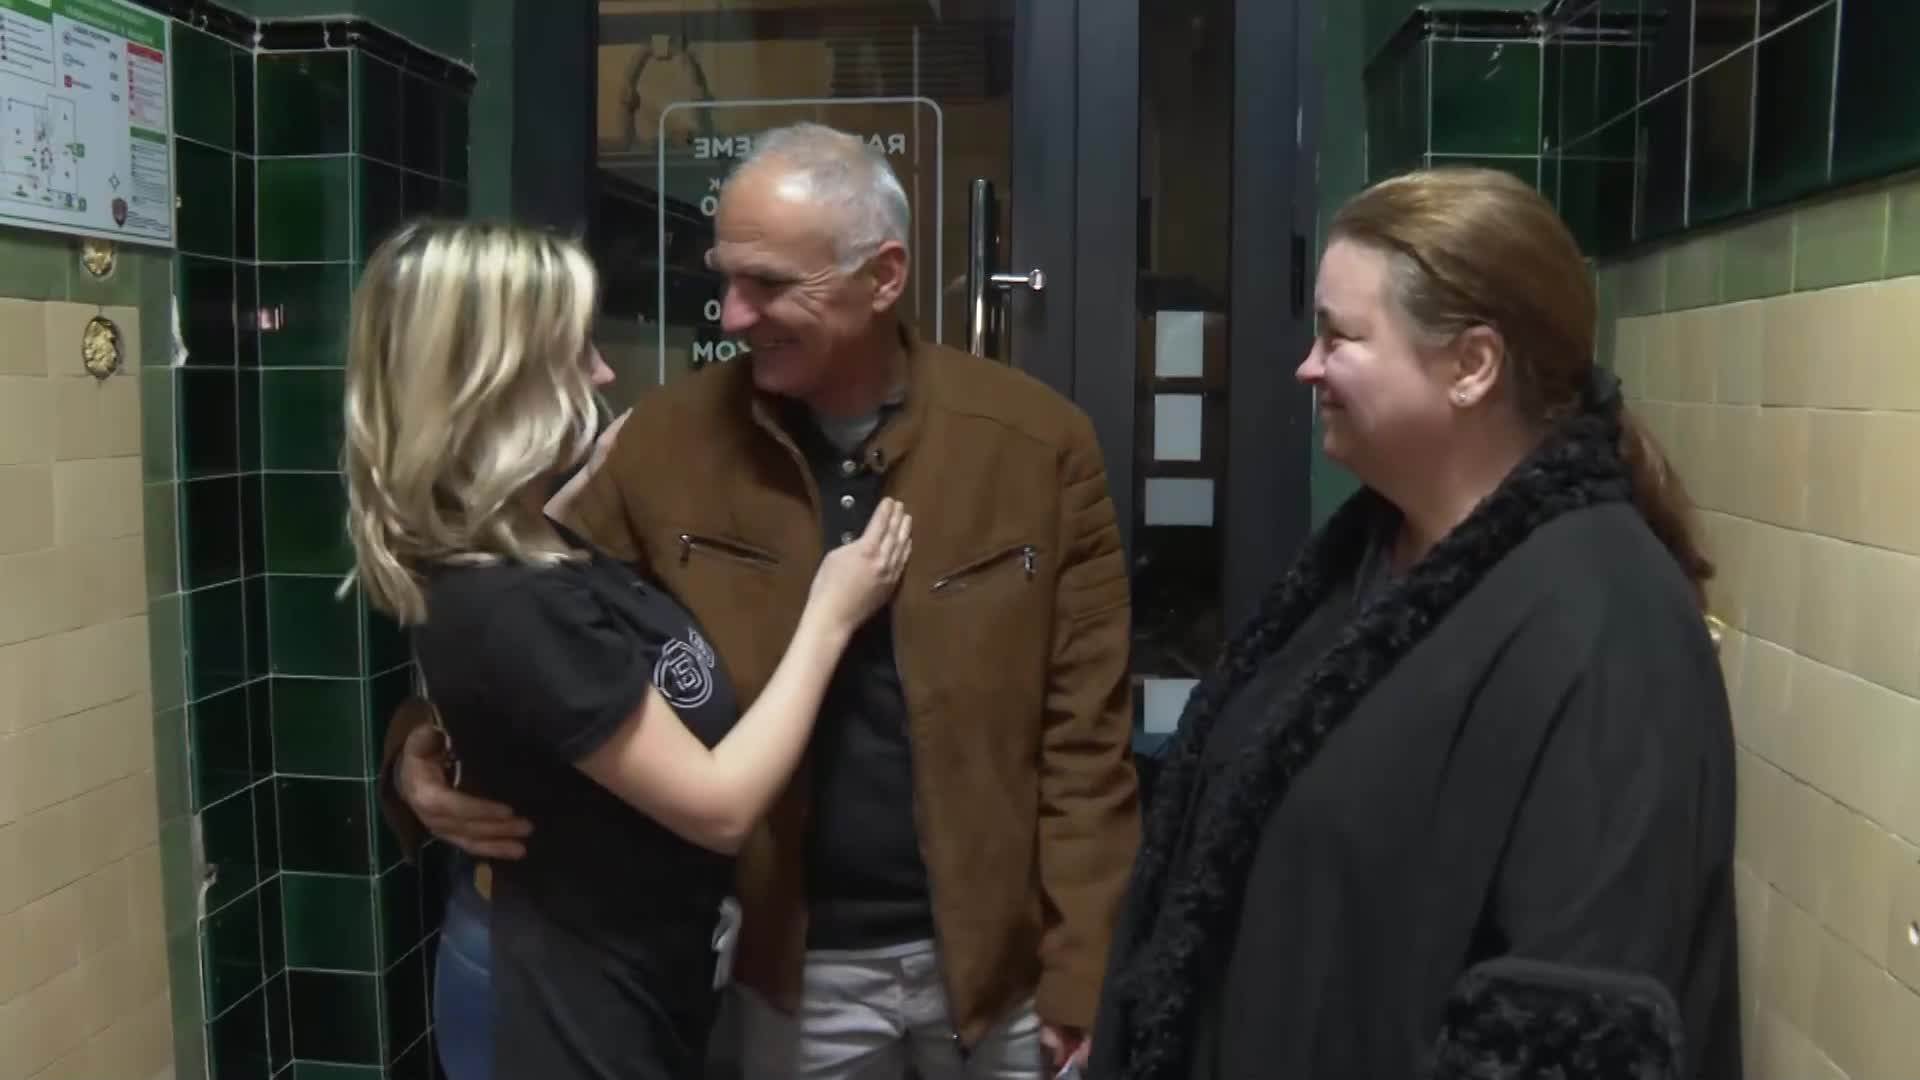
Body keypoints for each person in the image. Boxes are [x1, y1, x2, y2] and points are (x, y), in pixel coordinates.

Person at [380, 123, 1141, 1079]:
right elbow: (534, 637)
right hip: (786, 974)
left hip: (997, 970)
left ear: (884, 277)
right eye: (726, 278)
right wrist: (422, 753)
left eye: (770, 284)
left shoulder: (1036, 444)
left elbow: (1087, 737)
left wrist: (1085, 968)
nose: (734, 314)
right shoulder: (661, 445)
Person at [1088, 168, 1741, 1079]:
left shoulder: (1609, 625)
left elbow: (1573, 1028)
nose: (1307, 366)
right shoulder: (1370, 559)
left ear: (1472, 365)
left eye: (1340, 337)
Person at [341, 220, 914, 1079]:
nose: (605, 373)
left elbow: (537, 701)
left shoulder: (541, 527)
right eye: (576, 352)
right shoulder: (506, 593)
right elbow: (715, 804)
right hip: (568, 1002)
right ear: (497, 383)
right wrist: (832, 615)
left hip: (650, 969)